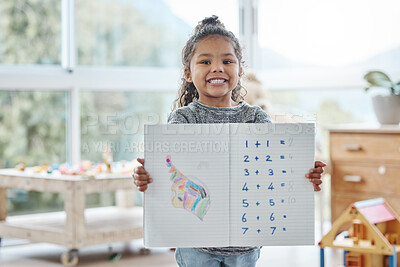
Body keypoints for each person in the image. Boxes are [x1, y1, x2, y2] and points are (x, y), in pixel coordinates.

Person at [133, 15, 326, 267]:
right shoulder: (183, 119)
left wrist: (302, 177)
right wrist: (147, 176)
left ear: (240, 71)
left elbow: (271, 175)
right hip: (196, 246)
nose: (217, 67)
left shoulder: (256, 118)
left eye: (227, 60)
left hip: (246, 246)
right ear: (188, 73)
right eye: (205, 61)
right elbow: (173, 174)